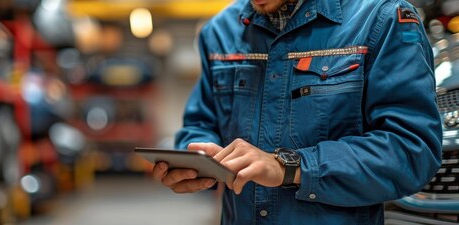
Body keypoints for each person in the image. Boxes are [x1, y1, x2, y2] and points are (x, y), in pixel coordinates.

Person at [152, 0, 442, 224]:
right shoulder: (220, 32)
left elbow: (411, 151)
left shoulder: (382, 19)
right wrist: (194, 160)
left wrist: (291, 166)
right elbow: (201, 122)